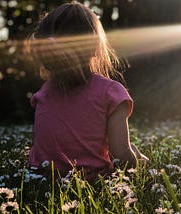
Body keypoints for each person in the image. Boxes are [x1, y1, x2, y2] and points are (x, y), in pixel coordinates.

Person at [27, 1, 148, 181]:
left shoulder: (43, 94)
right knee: (134, 152)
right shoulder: (111, 93)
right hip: (92, 182)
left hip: (42, 179)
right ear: (94, 47)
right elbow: (121, 157)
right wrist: (141, 162)